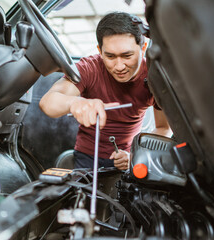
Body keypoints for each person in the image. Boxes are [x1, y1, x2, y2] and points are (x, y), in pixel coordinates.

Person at [39, 12, 172, 170]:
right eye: (110, 56)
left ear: (143, 48)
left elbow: (164, 128)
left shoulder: (153, 77)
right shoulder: (91, 68)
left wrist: (137, 155)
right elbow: (47, 102)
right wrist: (75, 102)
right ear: (100, 51)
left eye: (127, 55)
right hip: (86, 156)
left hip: (127, 158)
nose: (119, 66)